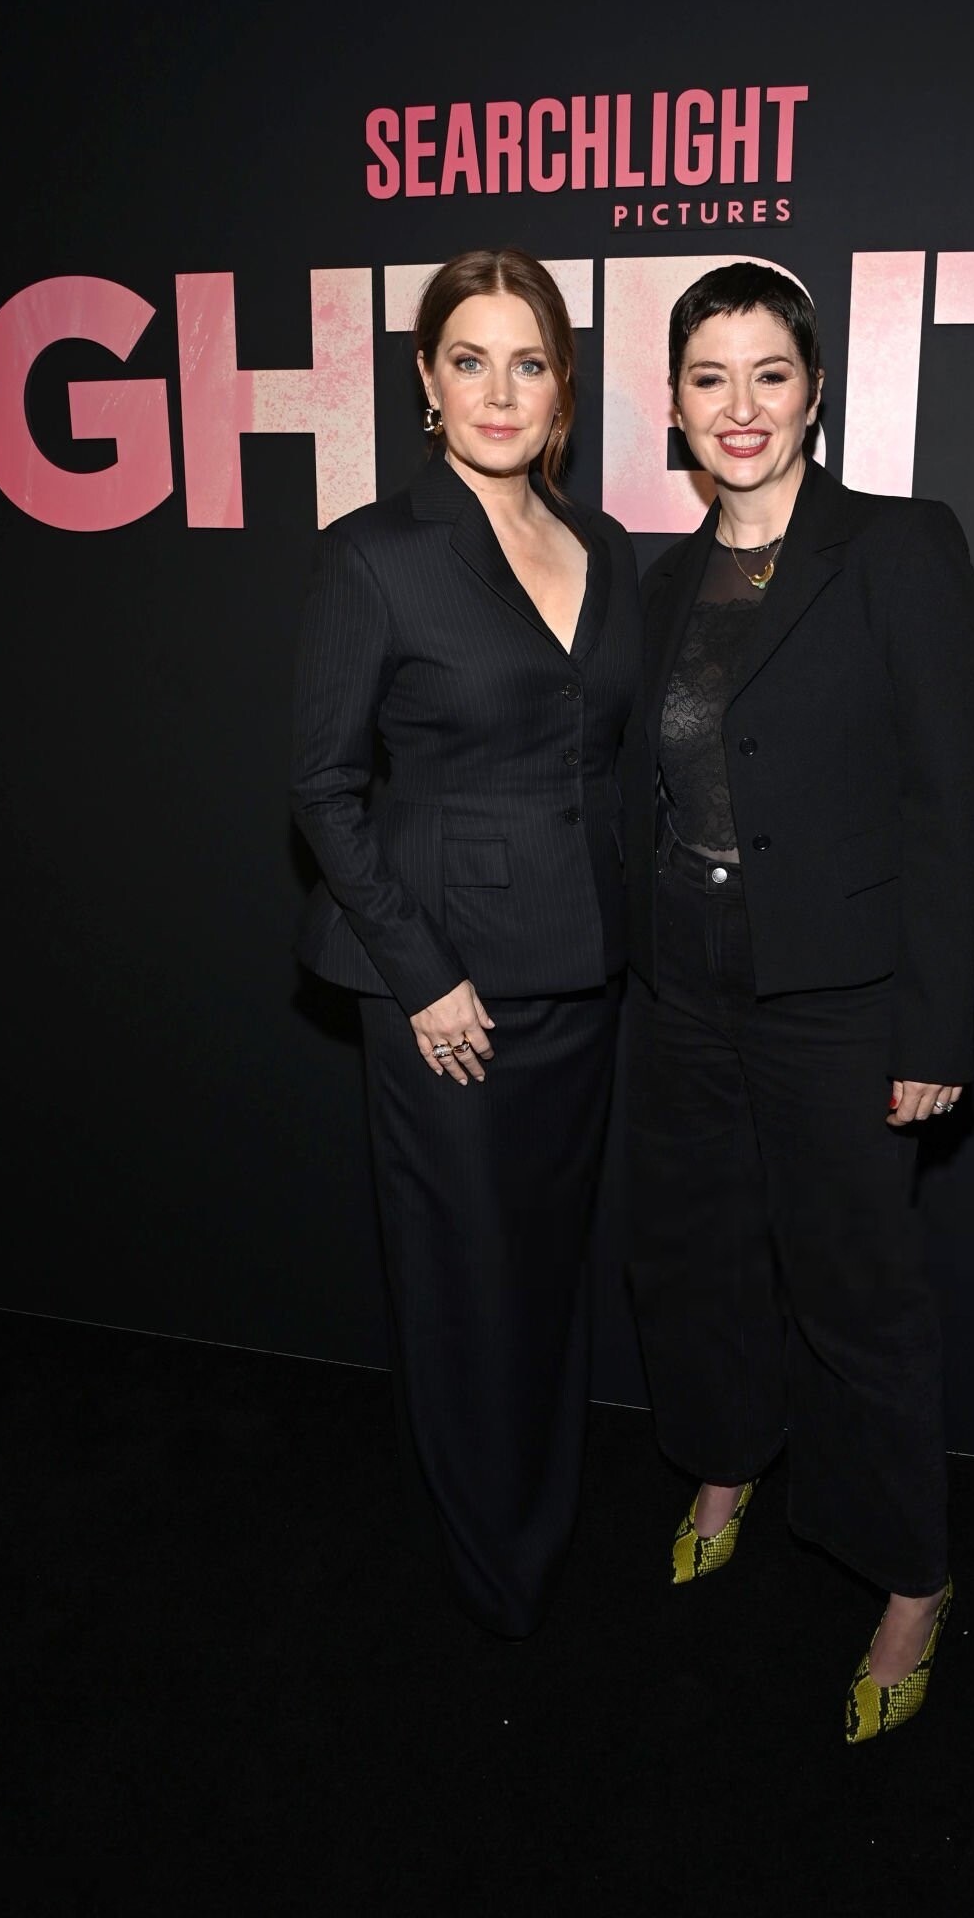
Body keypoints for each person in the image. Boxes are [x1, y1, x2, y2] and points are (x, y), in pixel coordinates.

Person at [622, 262, 974, 1741]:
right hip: (684, 980)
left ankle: (910, 1577)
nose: (740, 406)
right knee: (698, 1259)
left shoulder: (897, 546)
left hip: (838, 997)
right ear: (673, 405)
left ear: (814, 391)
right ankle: (725, 1463)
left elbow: (945, 804)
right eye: (709, 378)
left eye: (768, 374)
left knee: (856, 1294)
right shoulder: (658, 584)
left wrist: (933, 1028)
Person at [291, 248, 640, 1639]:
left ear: (563, 388)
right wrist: (422, 975)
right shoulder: (373, 554)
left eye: (529, 362)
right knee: (464, 1278)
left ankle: (539, 1514)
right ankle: (495, 1565)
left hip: (582, 969)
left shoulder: (605, 546)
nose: (501, 391)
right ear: (427, 382)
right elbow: (324, 791)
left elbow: (609, 759)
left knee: (548, 1268)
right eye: (471, 360)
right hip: (445, 987)